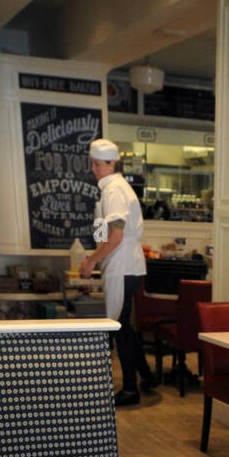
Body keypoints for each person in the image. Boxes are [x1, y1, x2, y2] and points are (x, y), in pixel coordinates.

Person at [80, 139, 153, 407]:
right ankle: (146, 375)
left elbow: (117, 236)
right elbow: (106, 233)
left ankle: (131, 390)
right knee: (125, 327)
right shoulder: (111, 189)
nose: (93, 169)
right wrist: (98, 258)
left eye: (97, 164)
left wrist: (90, 261)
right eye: (92, 164)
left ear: (112, 164)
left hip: (123, 266)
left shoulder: (114, 190)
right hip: (123, 266)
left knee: (118, 328)